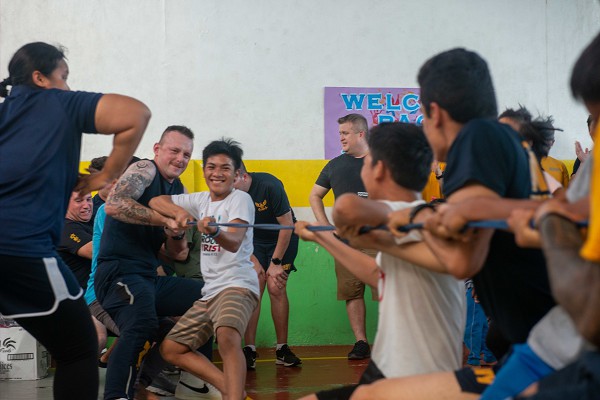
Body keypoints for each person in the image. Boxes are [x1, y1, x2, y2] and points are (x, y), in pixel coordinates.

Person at [350, 48, 555, 399]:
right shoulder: (506, 141)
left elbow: (462, 260)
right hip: (532, 342)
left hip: (547, 348)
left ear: (435, 113)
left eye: (424, 120)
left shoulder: (473, 139)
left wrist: (398, 222)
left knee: (374, 395)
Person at [0, 42, 149, 400]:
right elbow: (136, 114)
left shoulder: (5, 115)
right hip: (22, 251)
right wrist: (107, 174)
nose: (68, 86)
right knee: (80, 348)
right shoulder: (56, 102)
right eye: (63, 77)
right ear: (40, 78)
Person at [295, 122, 465, 400]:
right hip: (390, 365)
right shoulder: (408, 215)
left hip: (417, 377)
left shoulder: (407, 216)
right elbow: (378, 274)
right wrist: (323, 238)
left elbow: (347, 208)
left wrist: (361, 227)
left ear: (379, 169)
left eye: (367, 162)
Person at [94, 126, 216, 400]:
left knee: (213, 298)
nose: (180, 159)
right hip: (118, 274)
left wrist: (176, 232)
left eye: (186, 154)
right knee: (141, 322)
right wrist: (164, 219)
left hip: (147, 277)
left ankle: (187, 381)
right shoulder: (144, 169)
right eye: (174, 150)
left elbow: (179, 254)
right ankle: (116, 395)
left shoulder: (178, 191)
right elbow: (114, 204)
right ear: (157, 150)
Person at [149, 138, 260, 400]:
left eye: (225, 168)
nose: (217, 173)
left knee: (227, 336)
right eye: (211, 167)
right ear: (204, 171)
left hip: (238, 285)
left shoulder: (240, 199)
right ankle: (233, 390)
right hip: (211, 293)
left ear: (237, 175)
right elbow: (157, 200)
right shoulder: (200, 200)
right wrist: (181, 216)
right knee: (172, 349)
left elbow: (233, 241)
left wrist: (214, 229)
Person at [309, 113, 375, 360]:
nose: (341, 139)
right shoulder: (335, 165)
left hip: (379, 241)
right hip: (346, 243)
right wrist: (325, 226)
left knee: (391, 290)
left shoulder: (382, 162)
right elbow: (315, 195)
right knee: (352, 292)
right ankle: (361, 343)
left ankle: (396, 340)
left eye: (345, 133)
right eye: (339, 134)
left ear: (360, 134)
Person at [233, 162, 302, 369]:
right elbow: (239, 230)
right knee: (255, 287)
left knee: (276, 286)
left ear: (242, 176)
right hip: (253, 241)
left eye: (233, 181)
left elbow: (287, 225)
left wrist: (276, 262)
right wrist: (253, 260)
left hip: (283, 238)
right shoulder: (231, 194)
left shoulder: (269, 185)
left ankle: (282, 349)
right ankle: (249, 350)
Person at [57, 191, 94, 289]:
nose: (86, 205)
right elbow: (96, 251)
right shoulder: (65, 228)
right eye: (79, 201)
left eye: (89, 199)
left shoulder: (90, 220)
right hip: (86, 298)